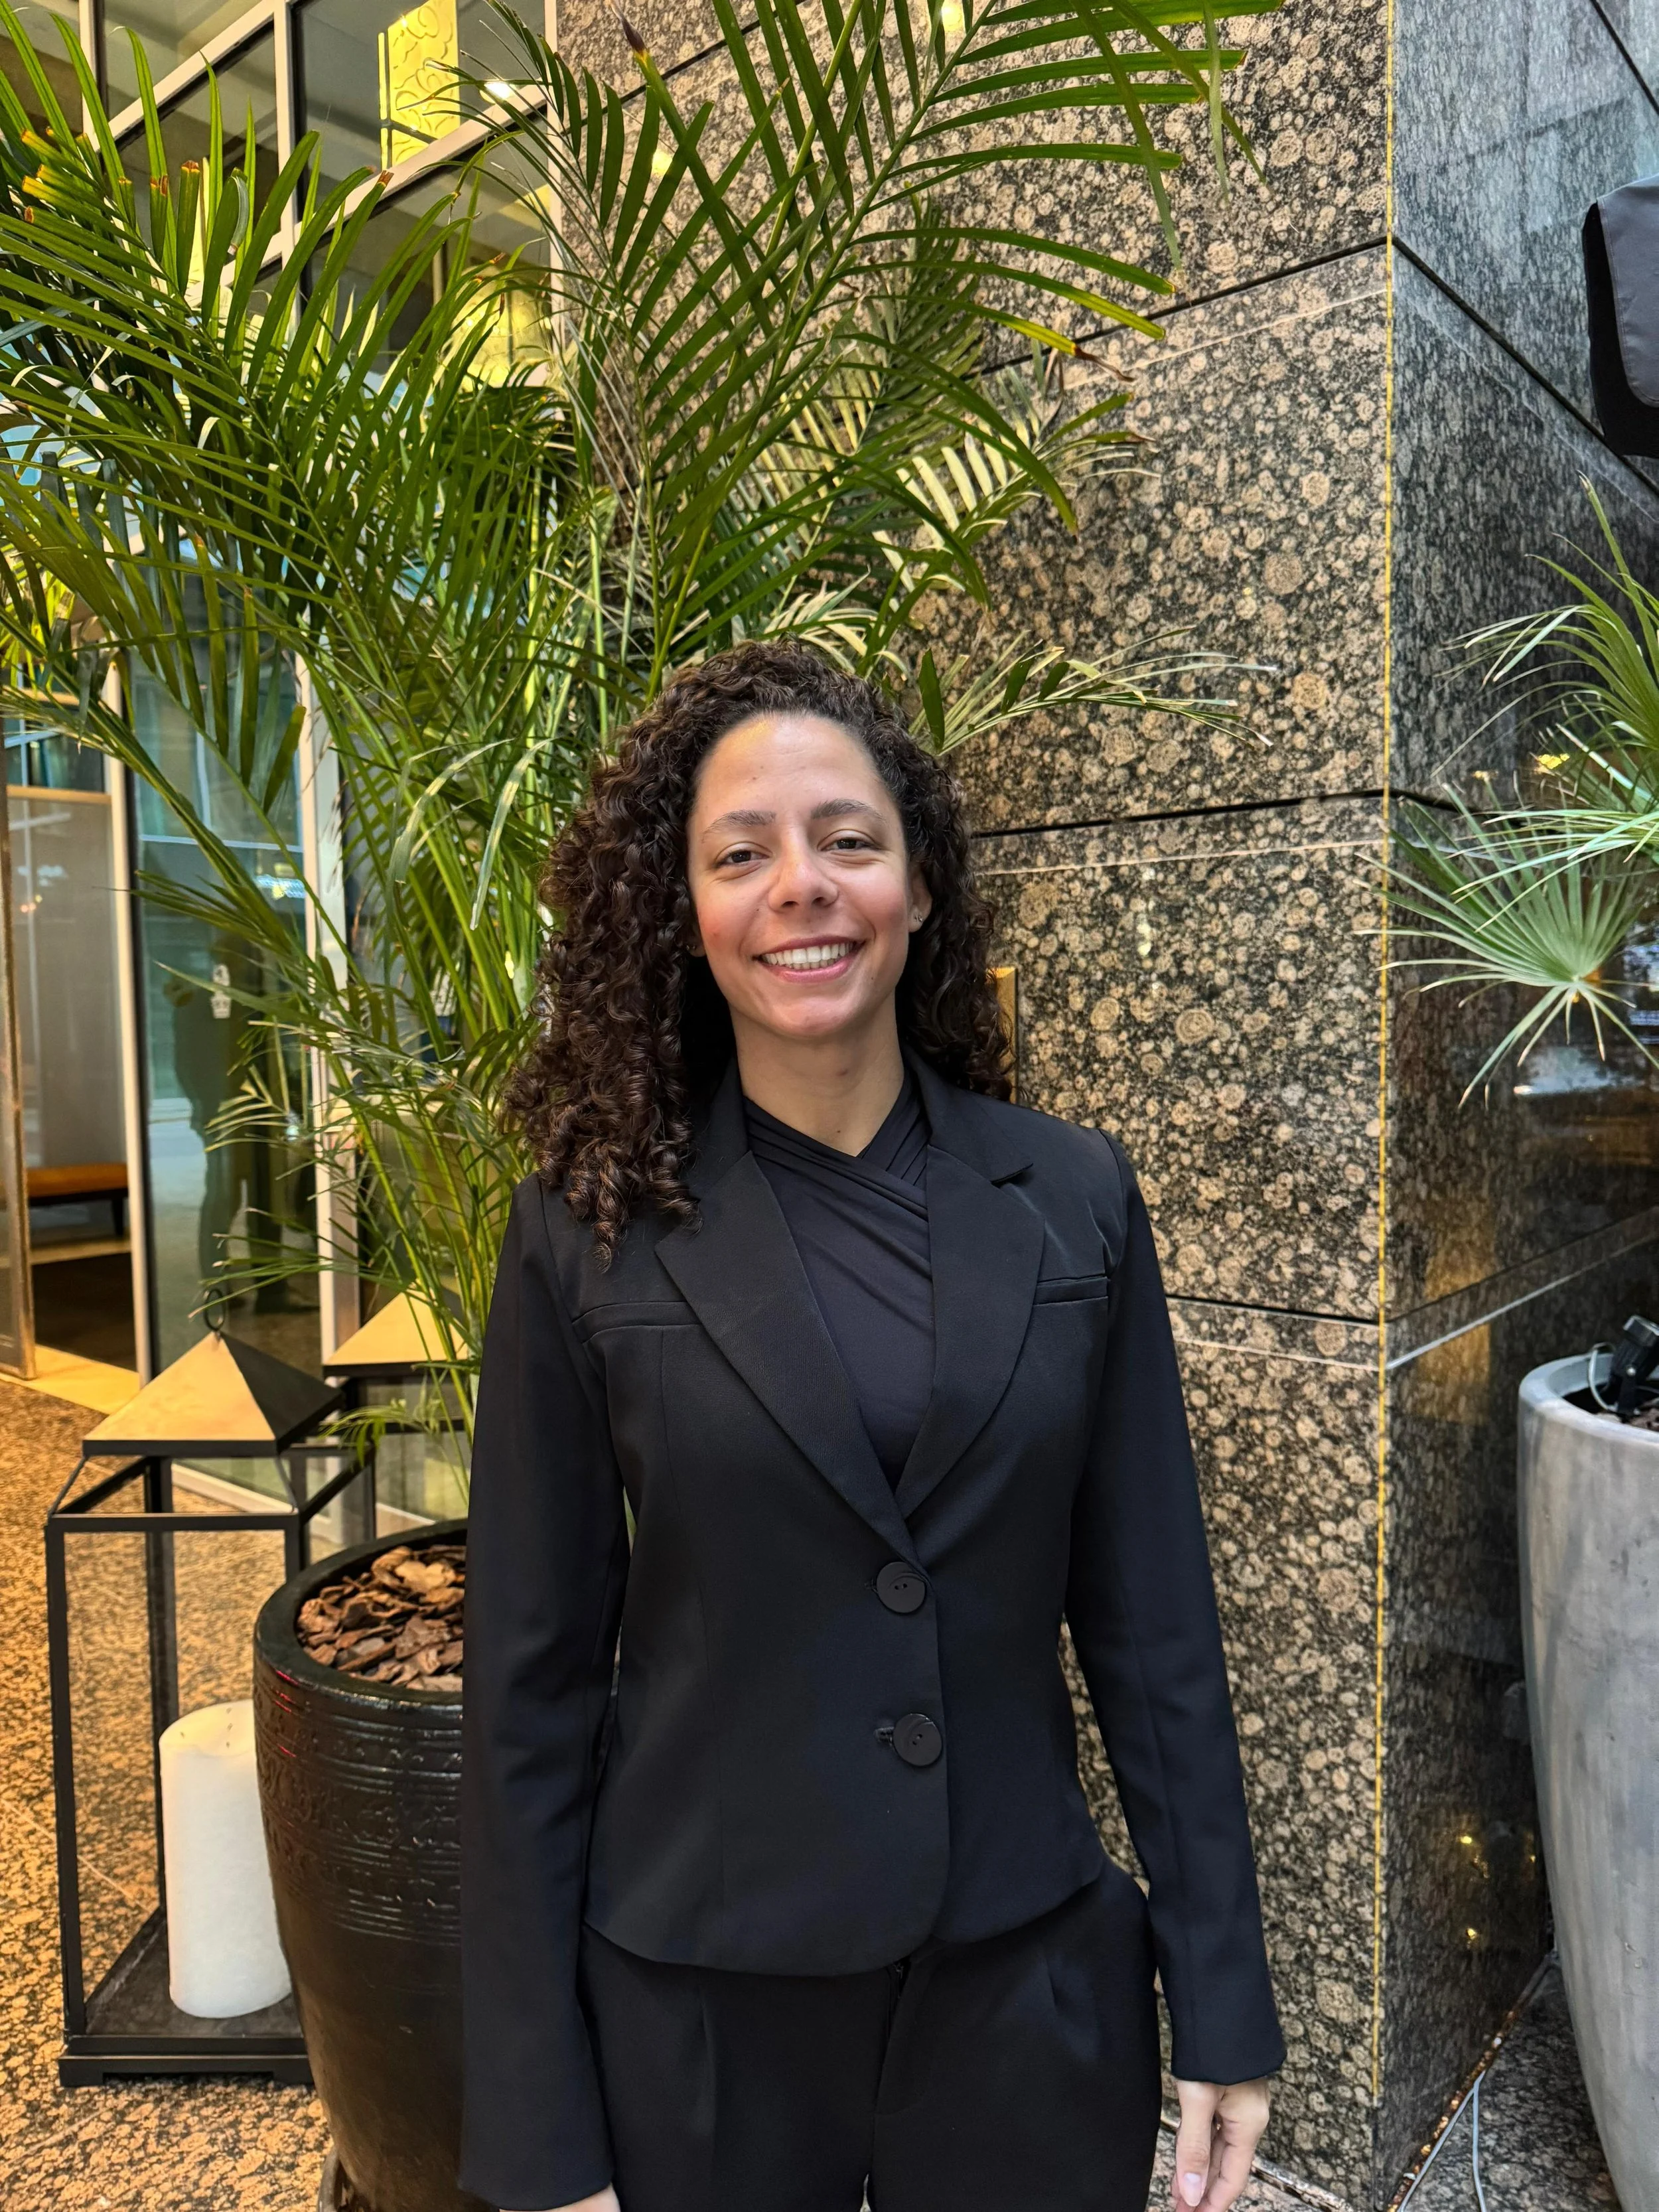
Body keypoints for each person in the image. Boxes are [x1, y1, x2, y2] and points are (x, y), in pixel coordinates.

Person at [460, 642, 1284, 2212]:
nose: (801, 887)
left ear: (916, 883)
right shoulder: (586, 1232)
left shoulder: (1071, 1201)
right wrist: (537, 2135)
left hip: (1022, 1991)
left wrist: (1222, 2002)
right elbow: (529, 1692)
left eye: (847, 838)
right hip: (699, 2001)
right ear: (680, 913)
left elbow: (1156, 1631)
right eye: (740, 853)